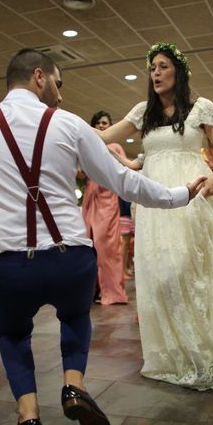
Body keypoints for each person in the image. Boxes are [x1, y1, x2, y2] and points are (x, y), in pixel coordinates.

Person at [0, 48, 205, 425]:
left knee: (13, 334)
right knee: (75, 317)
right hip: (67, 259)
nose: (60, 91)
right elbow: (124, 181)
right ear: (39, 77)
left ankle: (28, 418)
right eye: (58, 81)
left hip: (6, 265)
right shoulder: (69, 125)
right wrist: (179, 195)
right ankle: (74, 388)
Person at [97, 42, 213, 392]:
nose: (155, 73)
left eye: (163, 66)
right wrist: (61, 124)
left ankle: (209, 350)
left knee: (190, 269)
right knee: (158, 273)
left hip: (189, 196)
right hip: (152, 207)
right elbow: (106, 137)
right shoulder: (142, 112)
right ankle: (174, 354)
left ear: (177, 72)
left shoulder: (201, 107)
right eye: (152, 68)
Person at [81, 110, 129, 305]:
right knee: (88, 245)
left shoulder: (115, 146)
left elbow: (123, 171)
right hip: (90, 199)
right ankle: (92, 290)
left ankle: (112, 291)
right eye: (98, 123)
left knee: (107, 247)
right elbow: (80, 173)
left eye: (105, 123)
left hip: (108, 199)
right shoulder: (88, 146)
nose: (101, 126)